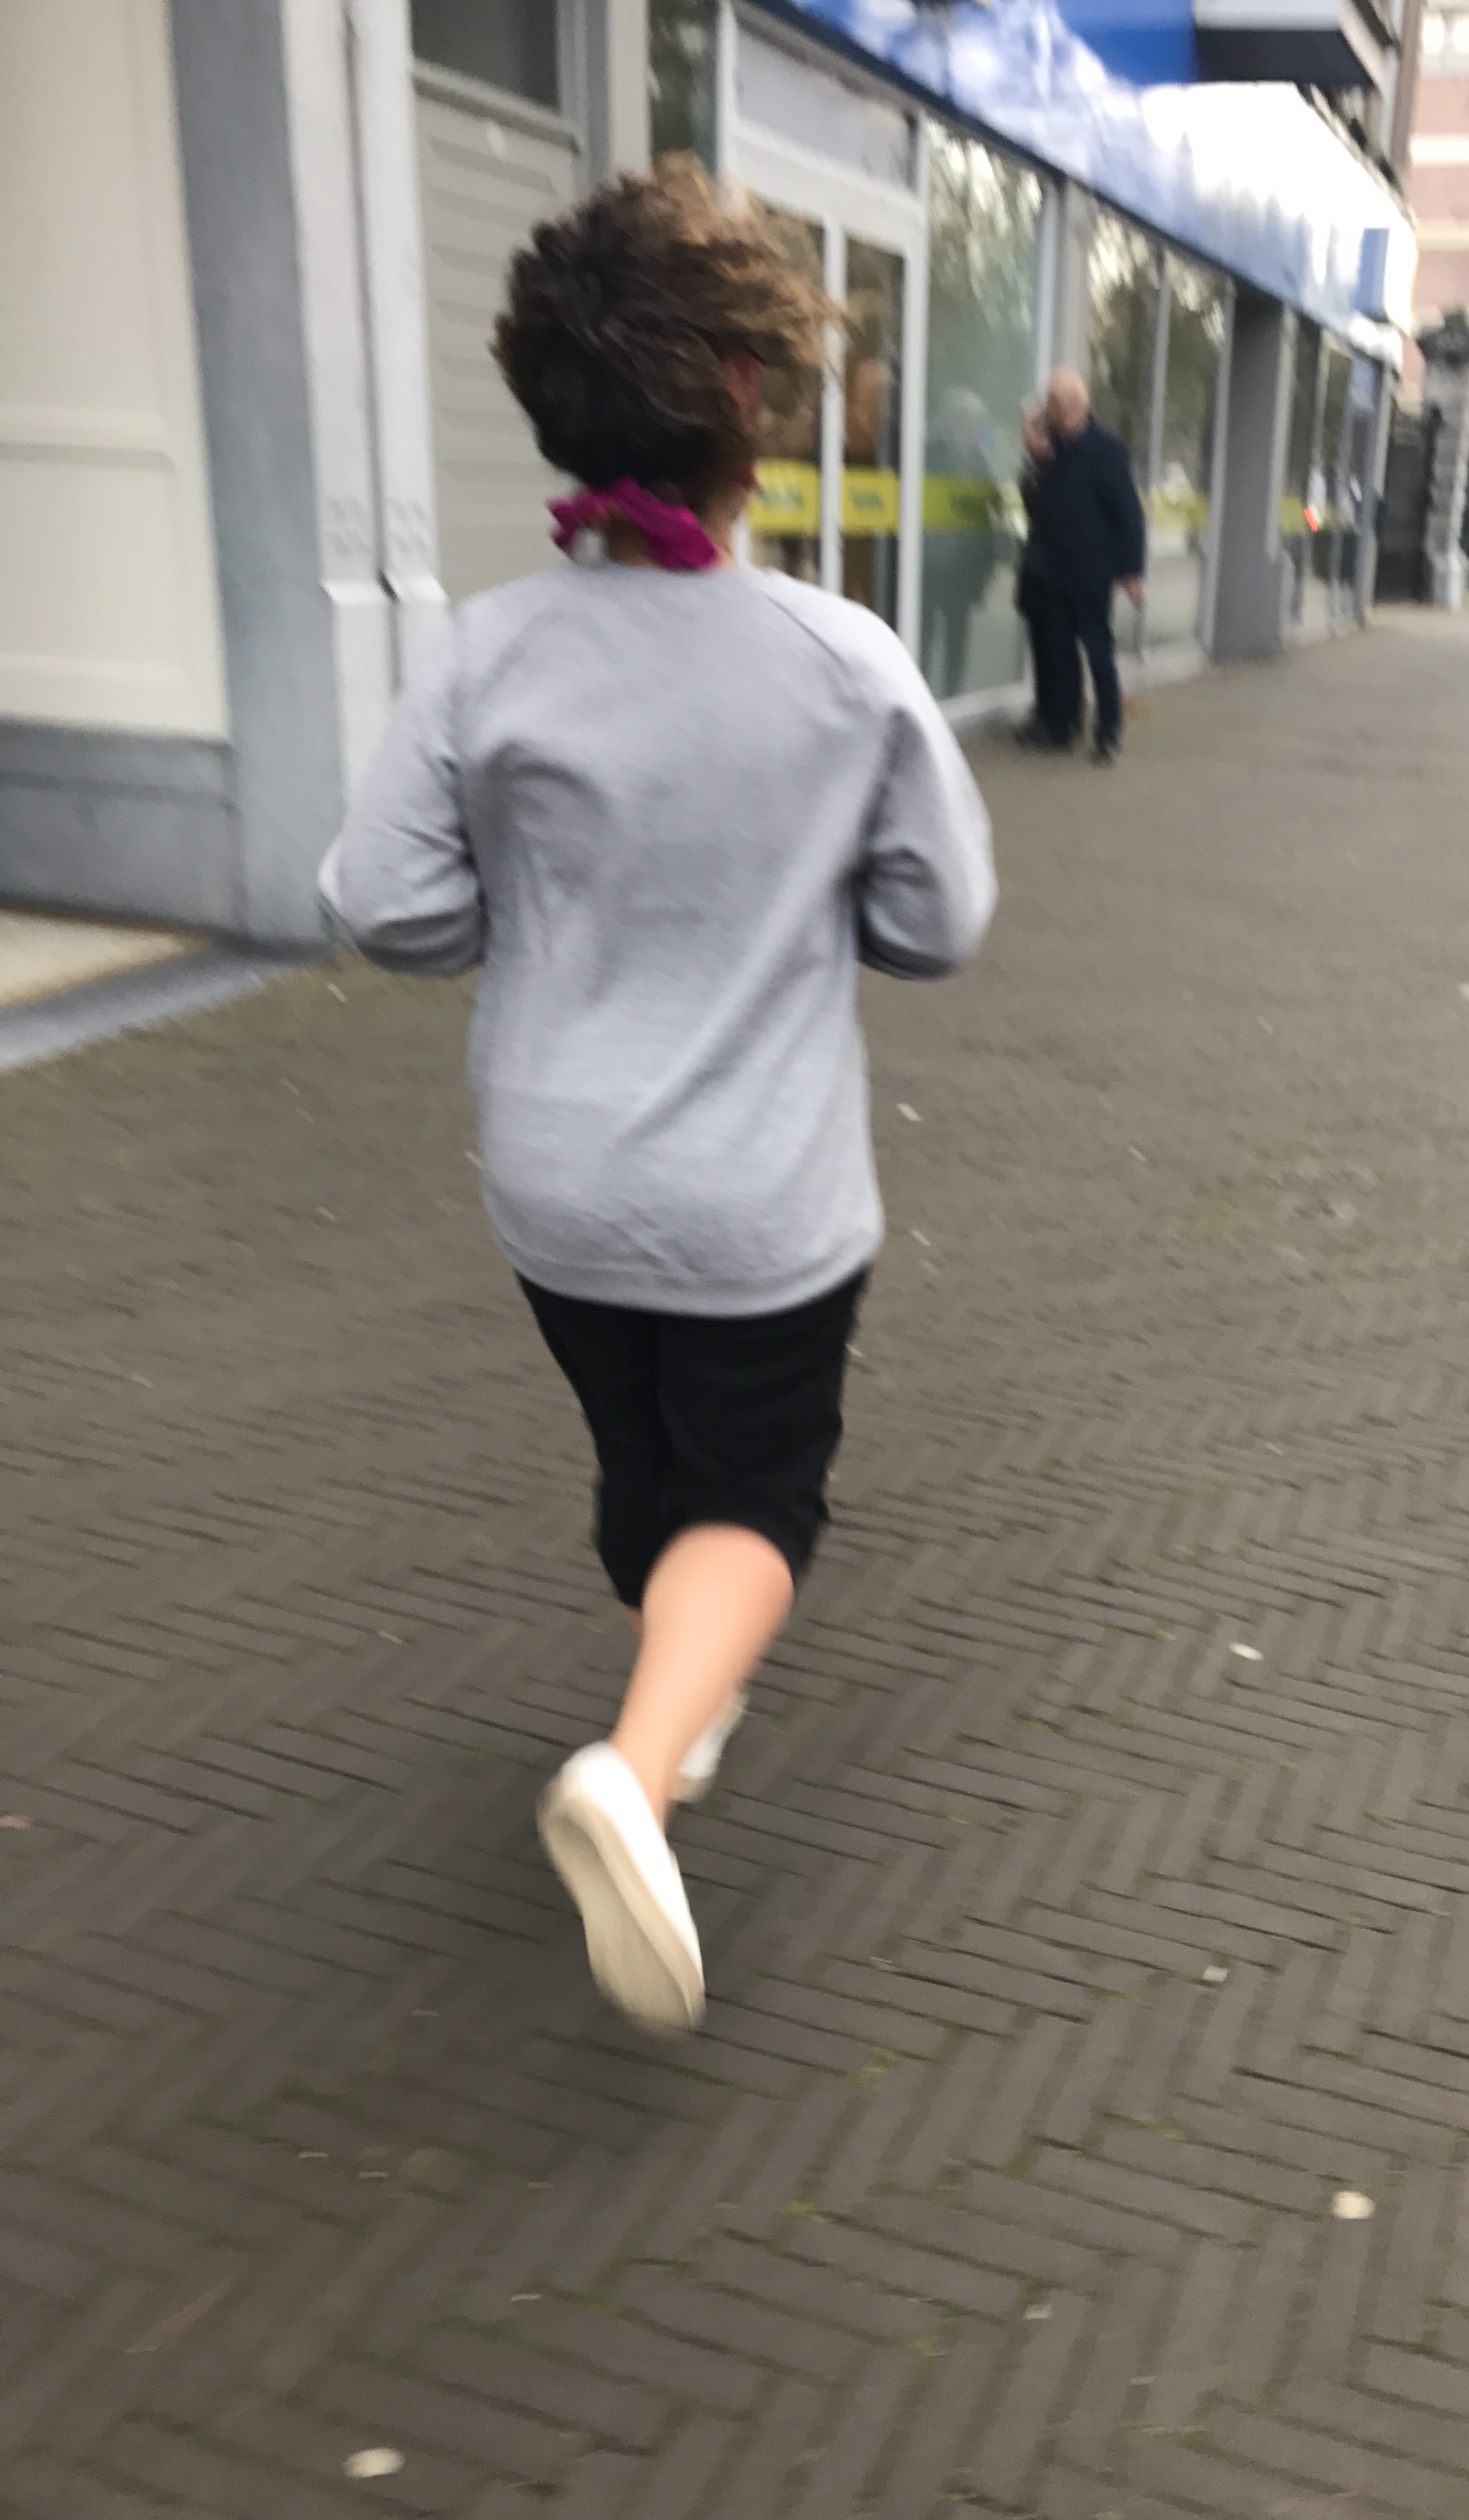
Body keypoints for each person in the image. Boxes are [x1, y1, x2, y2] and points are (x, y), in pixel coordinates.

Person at [318, 161, 996, 2036]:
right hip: (764, 1197)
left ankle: (677, 1705)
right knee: (757, 1490)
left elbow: (384, 902)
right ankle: (634, 1768)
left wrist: (533, 914)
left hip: (558, 1186)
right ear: (747, 403)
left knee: (643, 1457)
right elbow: (940, 921)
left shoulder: (487, 652)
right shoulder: (843, 664)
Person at [1023, 368, 1146, 765]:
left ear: (1069, 405)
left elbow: (1128, 512)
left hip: (1091, 571)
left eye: (1051, 402)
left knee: (1097, 652)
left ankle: (1108, 731)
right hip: (1055, 569)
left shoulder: (1104, 449)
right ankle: (1063, 727)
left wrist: (1132, 570)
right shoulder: (1052, 450)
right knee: (1060, 651)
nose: (1046, 408)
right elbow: (1036, 508)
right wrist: (1036, 459)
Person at [921, 387, 1001, 699]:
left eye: (971, 424)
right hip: (931, 563)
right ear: (949, 423)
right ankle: (921, 692)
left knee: (957, 636)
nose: (966, 430)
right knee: (924, 633)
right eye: (960, 422)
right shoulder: (929, 456)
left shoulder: (981, 463)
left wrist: (987, 569)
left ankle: (953, 696)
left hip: (962, 568)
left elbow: (988, 521)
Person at [1013, 398, 1061, 745]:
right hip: (1035, 566)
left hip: (1052, 571)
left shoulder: (1054, 468)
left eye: (1028, 427)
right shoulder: (1032, 465)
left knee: (1052, 648)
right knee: (1039, 643)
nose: (1024, 433)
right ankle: (1043, 711)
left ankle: (1054, 718)